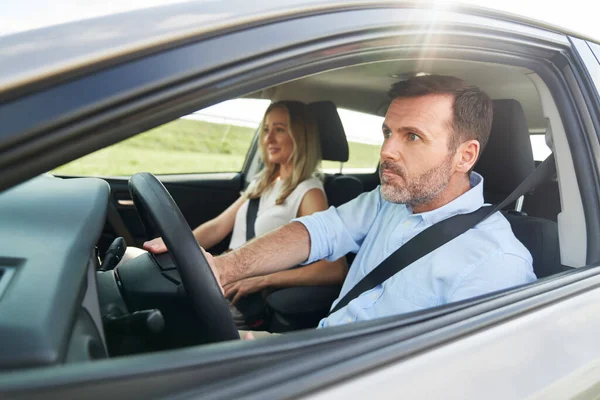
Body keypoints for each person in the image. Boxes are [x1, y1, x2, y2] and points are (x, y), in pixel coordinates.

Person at [207, 75, 536, 337]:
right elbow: (317, 231)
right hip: (318, 350)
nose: (386, 151)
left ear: (464, 156)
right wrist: (225, 268)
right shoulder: (387, 201)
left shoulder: (496, 264)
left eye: (412, 136)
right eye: (387, 132)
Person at [143, 100, 348, 325]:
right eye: (267, 130)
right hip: (220, 276)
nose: (268, 139)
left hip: (241, 297)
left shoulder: (309, 191)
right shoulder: (264, 180)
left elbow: (335, 269)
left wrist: (264, 280)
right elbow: (218, 226)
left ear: (301, 137)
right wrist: (176, 245)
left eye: (279, 130)